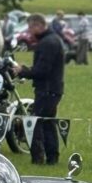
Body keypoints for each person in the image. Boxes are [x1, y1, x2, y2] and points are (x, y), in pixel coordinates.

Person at [12, 13, 64, 166]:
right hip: (53, 89)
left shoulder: (47, 43)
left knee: (34, 123)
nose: (29, 31)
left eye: (30, 27)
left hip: (46, 90)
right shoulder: (53, 39)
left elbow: (43, 70)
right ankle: (52, 158)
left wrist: (23, 71)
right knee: (48, 124)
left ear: (38, 25)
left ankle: (38, 159)